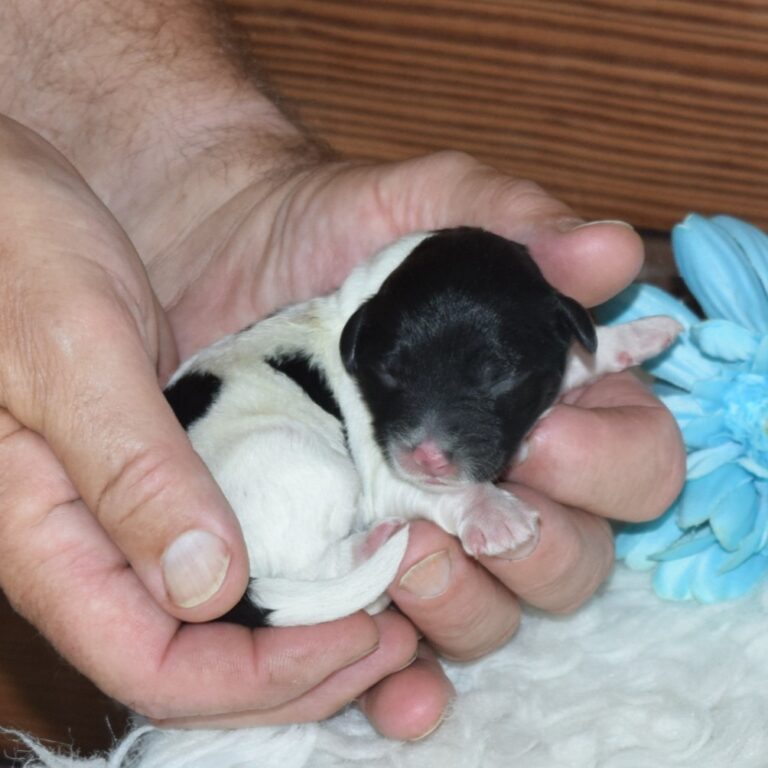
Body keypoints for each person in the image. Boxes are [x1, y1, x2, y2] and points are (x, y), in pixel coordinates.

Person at [0, 0, 685, 740]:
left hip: (260, 500)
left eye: (488, 377)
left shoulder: (374, 329)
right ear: (364, 346)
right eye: (395, 377)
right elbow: (406, 469)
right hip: (252, 508)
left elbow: (530, 358)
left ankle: (335, 571)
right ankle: (327, 569)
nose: (427, 447)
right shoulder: (345, 344)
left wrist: (601, 354)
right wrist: (464, 504)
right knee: (339, 484)